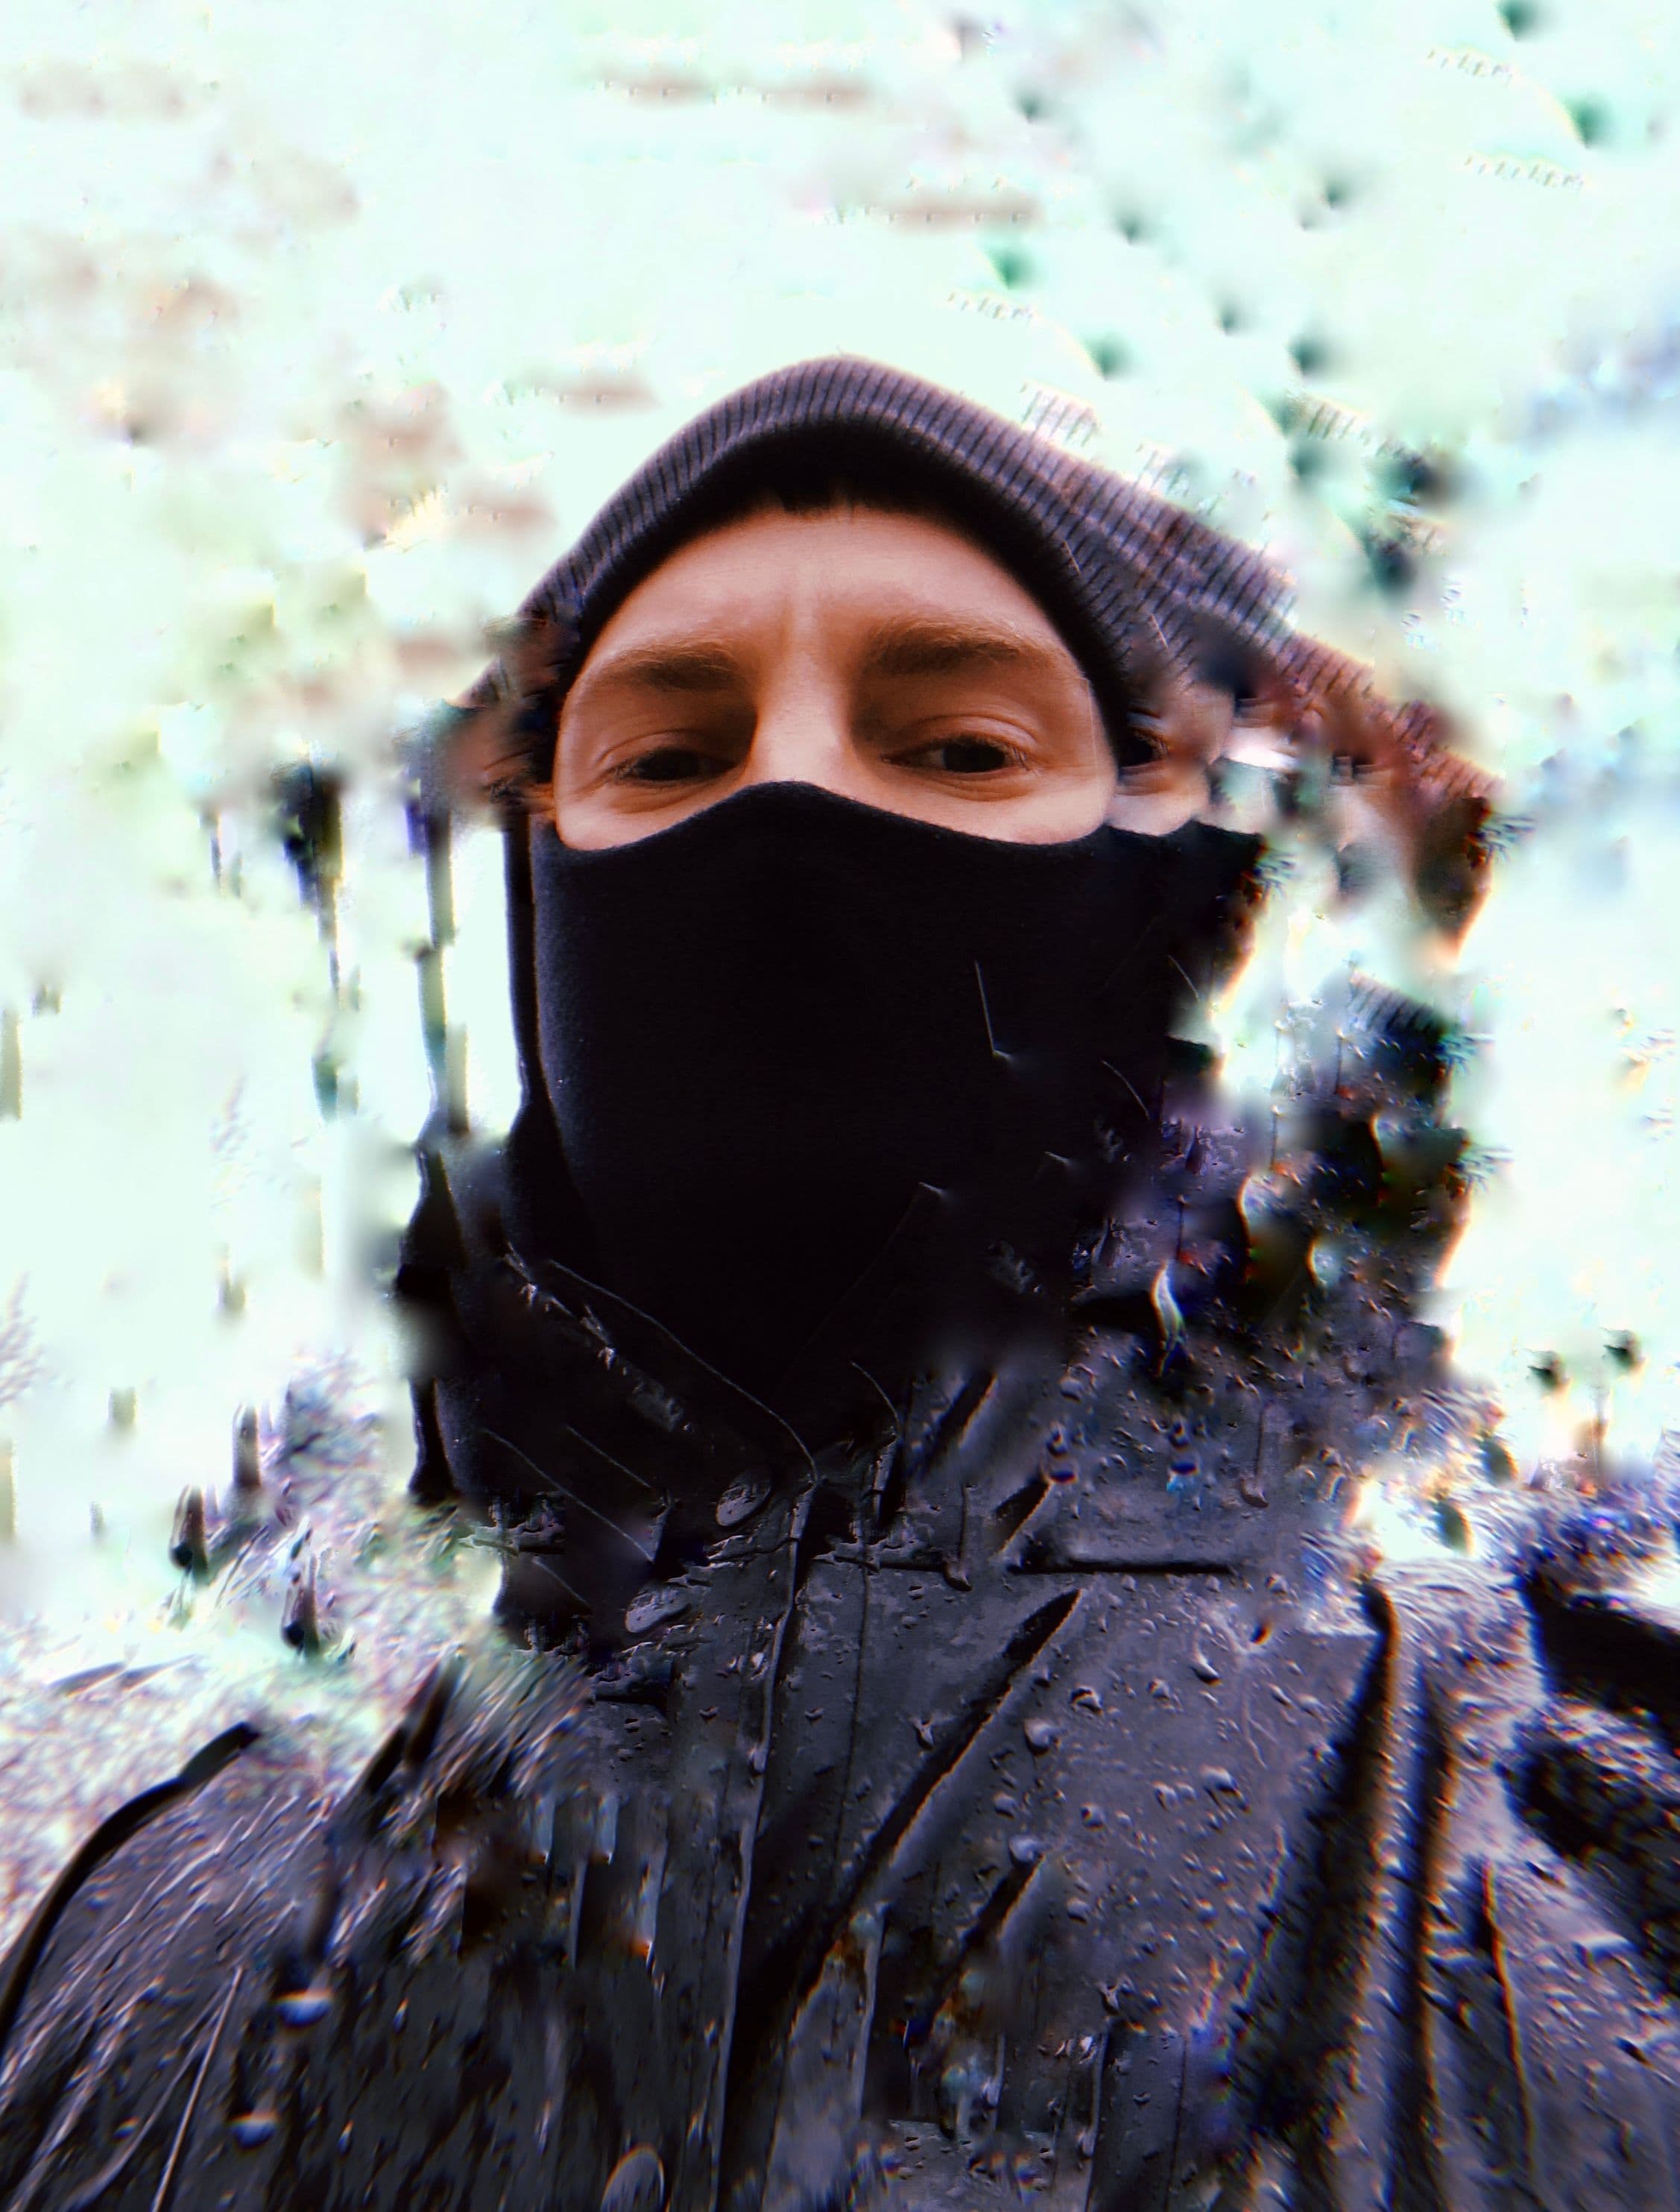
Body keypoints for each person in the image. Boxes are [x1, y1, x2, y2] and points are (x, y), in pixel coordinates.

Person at [1, 355, 1676, 2211]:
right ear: (534, 913)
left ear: (1179, 909)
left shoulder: (1548, 1832)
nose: (788, 791)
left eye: (956, 747)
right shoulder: (165, 1940)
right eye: (666, 753)